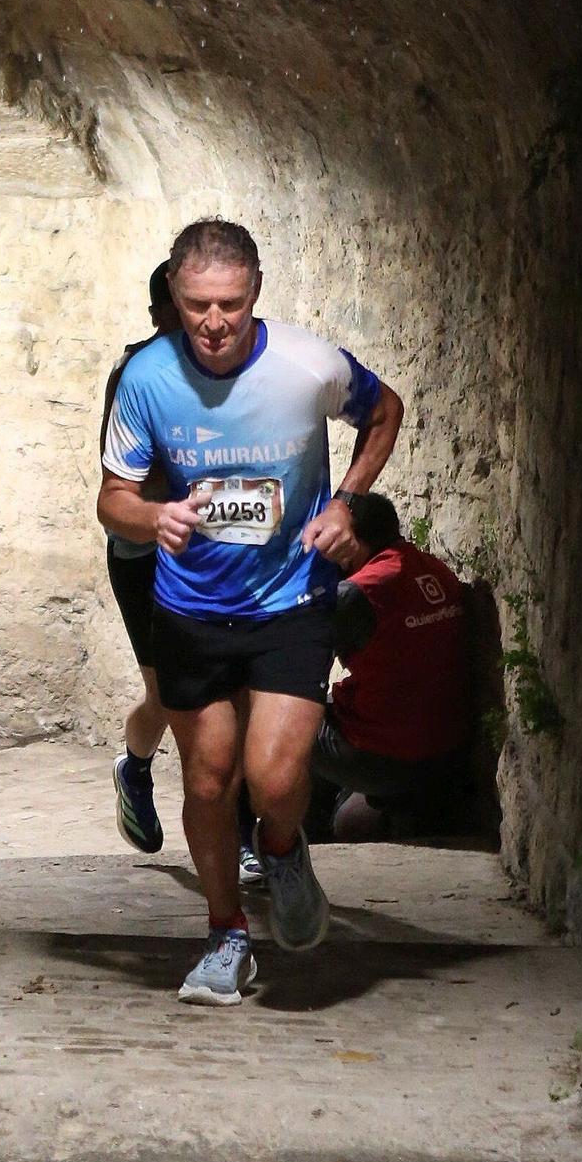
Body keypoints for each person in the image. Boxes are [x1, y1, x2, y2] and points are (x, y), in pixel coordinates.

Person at [97, 219, 404, 1006]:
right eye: (197, 303)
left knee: (272, 778)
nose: (213, 322)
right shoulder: (145, 378)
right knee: (206, 784)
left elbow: (384, 410)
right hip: (191, 607)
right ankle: (225, 935)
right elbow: (112, 499)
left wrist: (346, 501)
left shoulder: (307, 364)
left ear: (254, 293)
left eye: (229, 304)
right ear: (175, 295)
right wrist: (152, 518)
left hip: (288, 599)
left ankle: (281, 845)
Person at [310, 492, 470, 840]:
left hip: (385, 754)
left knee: (278, 724)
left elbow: (299, 666)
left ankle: (284, 844)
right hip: (445, 748)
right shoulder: (436, 570)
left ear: (350, 542)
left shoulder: (360, 592)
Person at [100, 260, 182, 855]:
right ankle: (135, 767)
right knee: (171, 696)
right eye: (183, 312)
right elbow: (120, 485)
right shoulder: (135, 375)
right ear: (157, 314)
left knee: (225, 694)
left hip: (212, 556)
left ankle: (242, 833)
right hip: (145, 555)